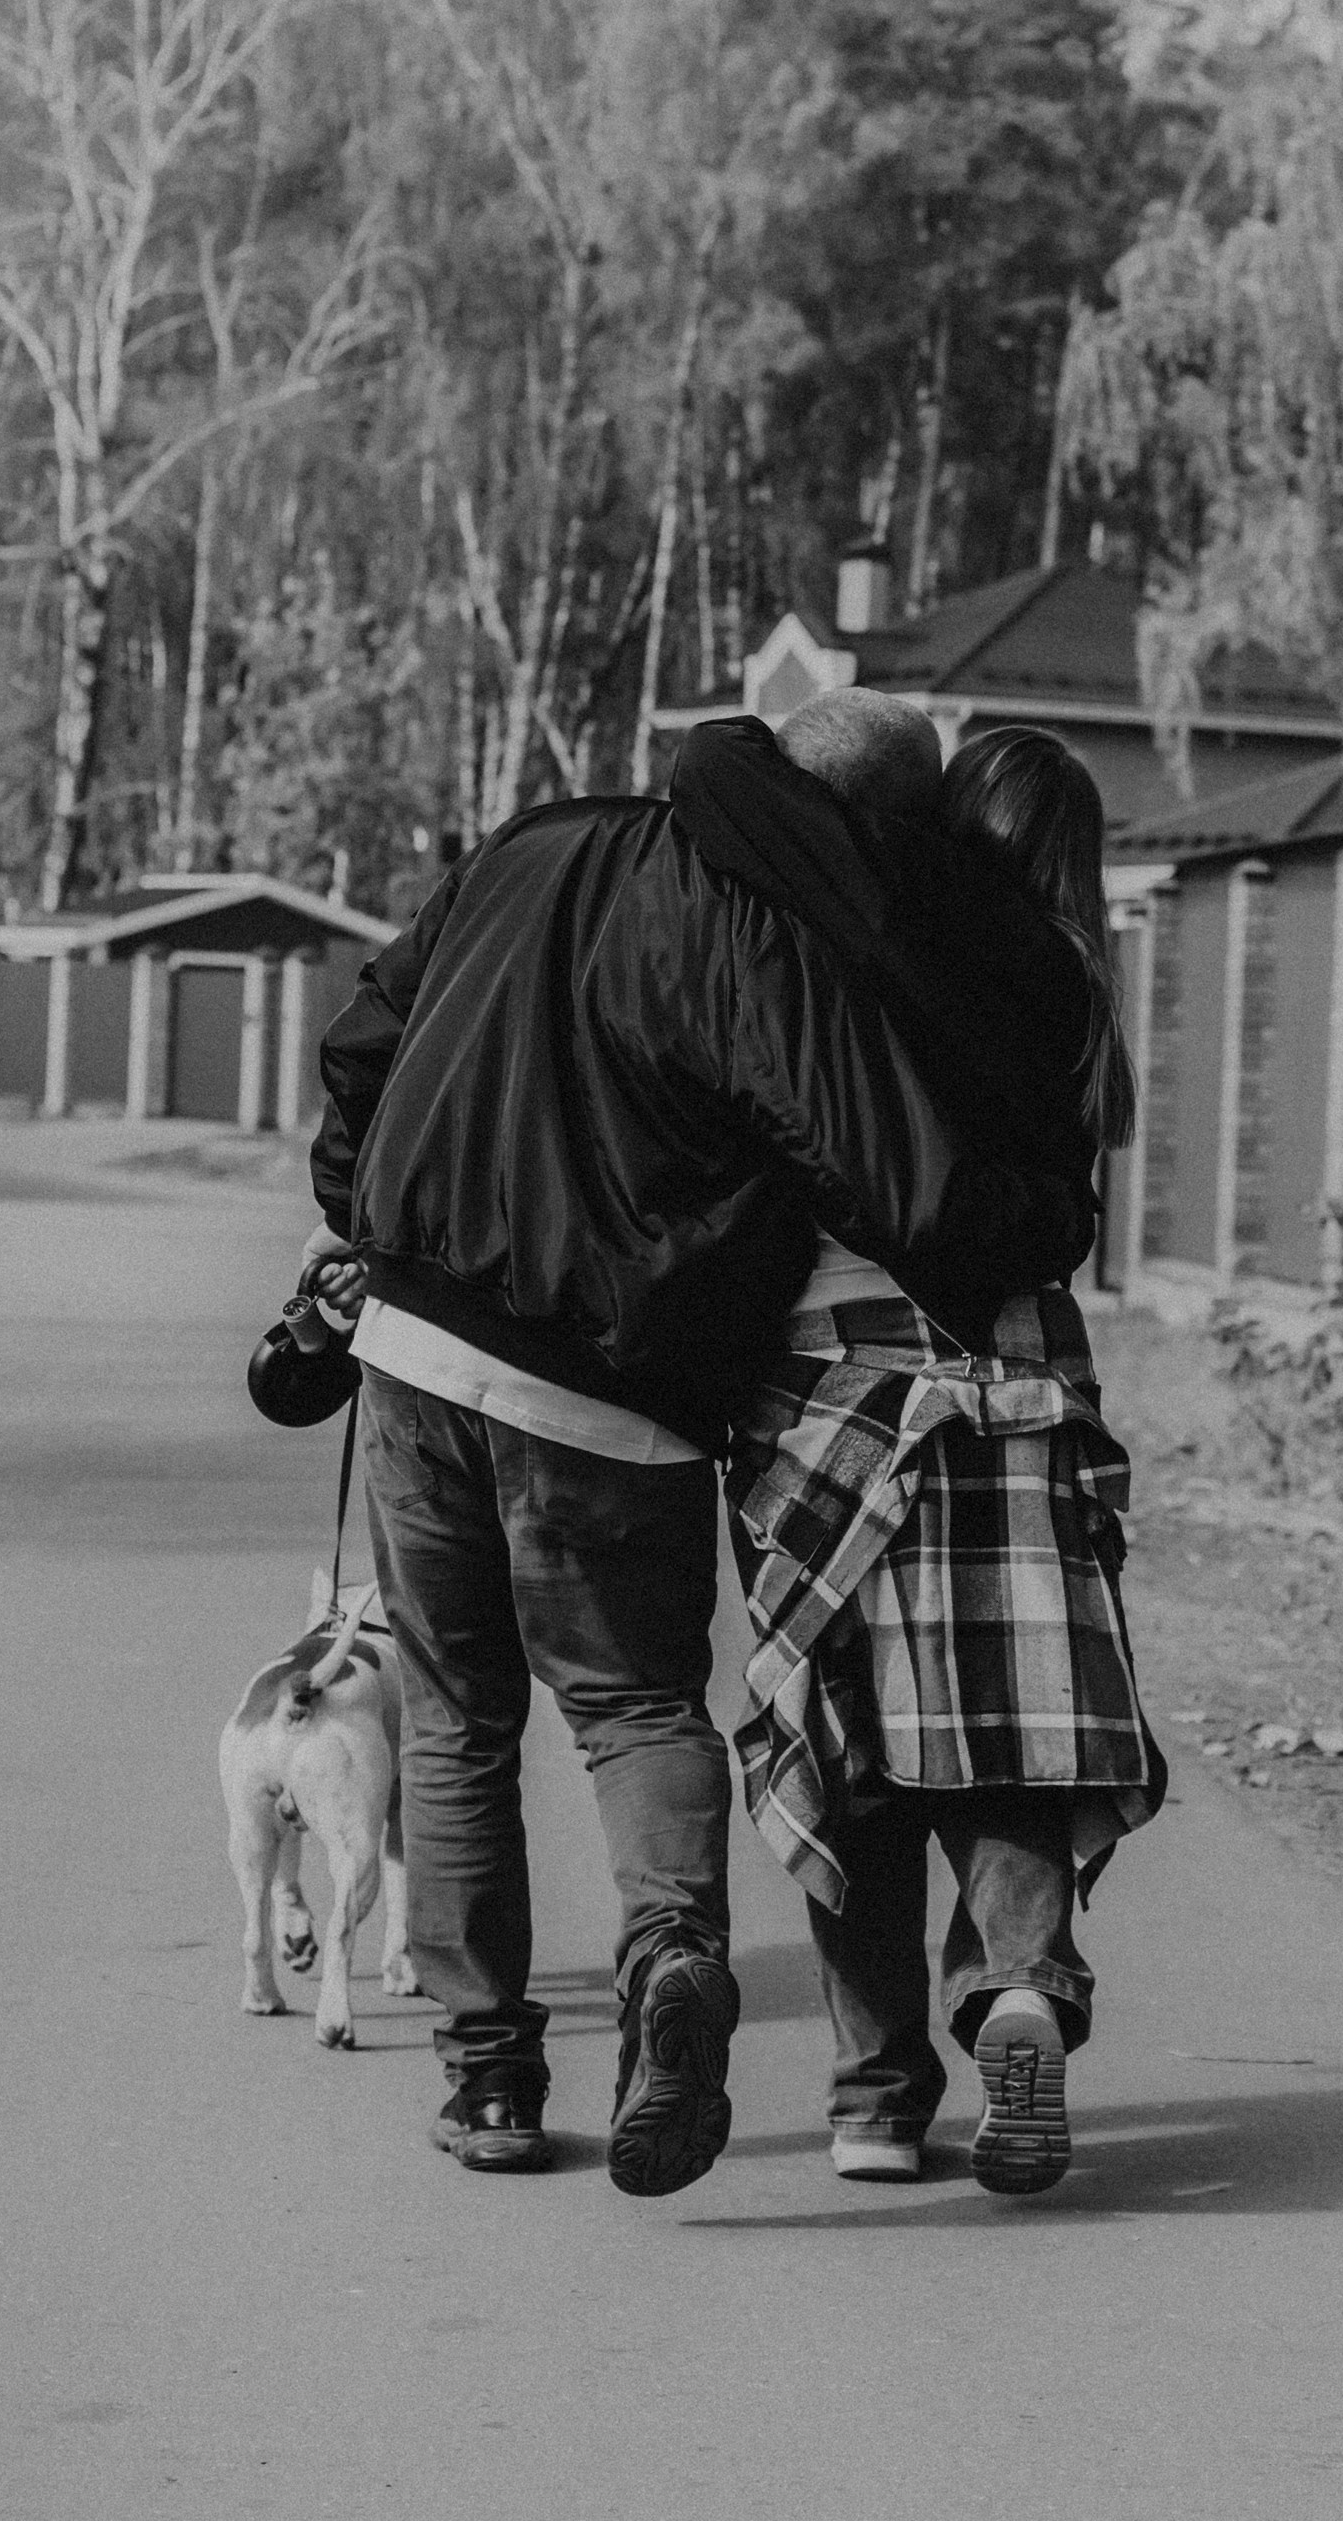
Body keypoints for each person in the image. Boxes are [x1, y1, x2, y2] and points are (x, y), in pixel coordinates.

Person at [297, 694, 1092, 2199]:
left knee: (459, 1717)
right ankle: (671, 1956)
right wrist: (1045, 1224)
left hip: (413, 1347)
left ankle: (490, 2084)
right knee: (635, 1705)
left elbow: (366, 1034)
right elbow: (882, 1173)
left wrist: (361, 1207)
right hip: (615, 1388)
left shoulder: (534, 844)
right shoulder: (765, 935)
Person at [671, 713, 1164, 2196]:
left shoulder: (897, 943)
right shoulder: (1081, 997)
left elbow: (718, 781)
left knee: (847, 1736)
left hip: (842, 1376)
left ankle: (878, 2098)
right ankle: (1019, 1987)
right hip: (1025, 1380)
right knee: (1007, 1730)